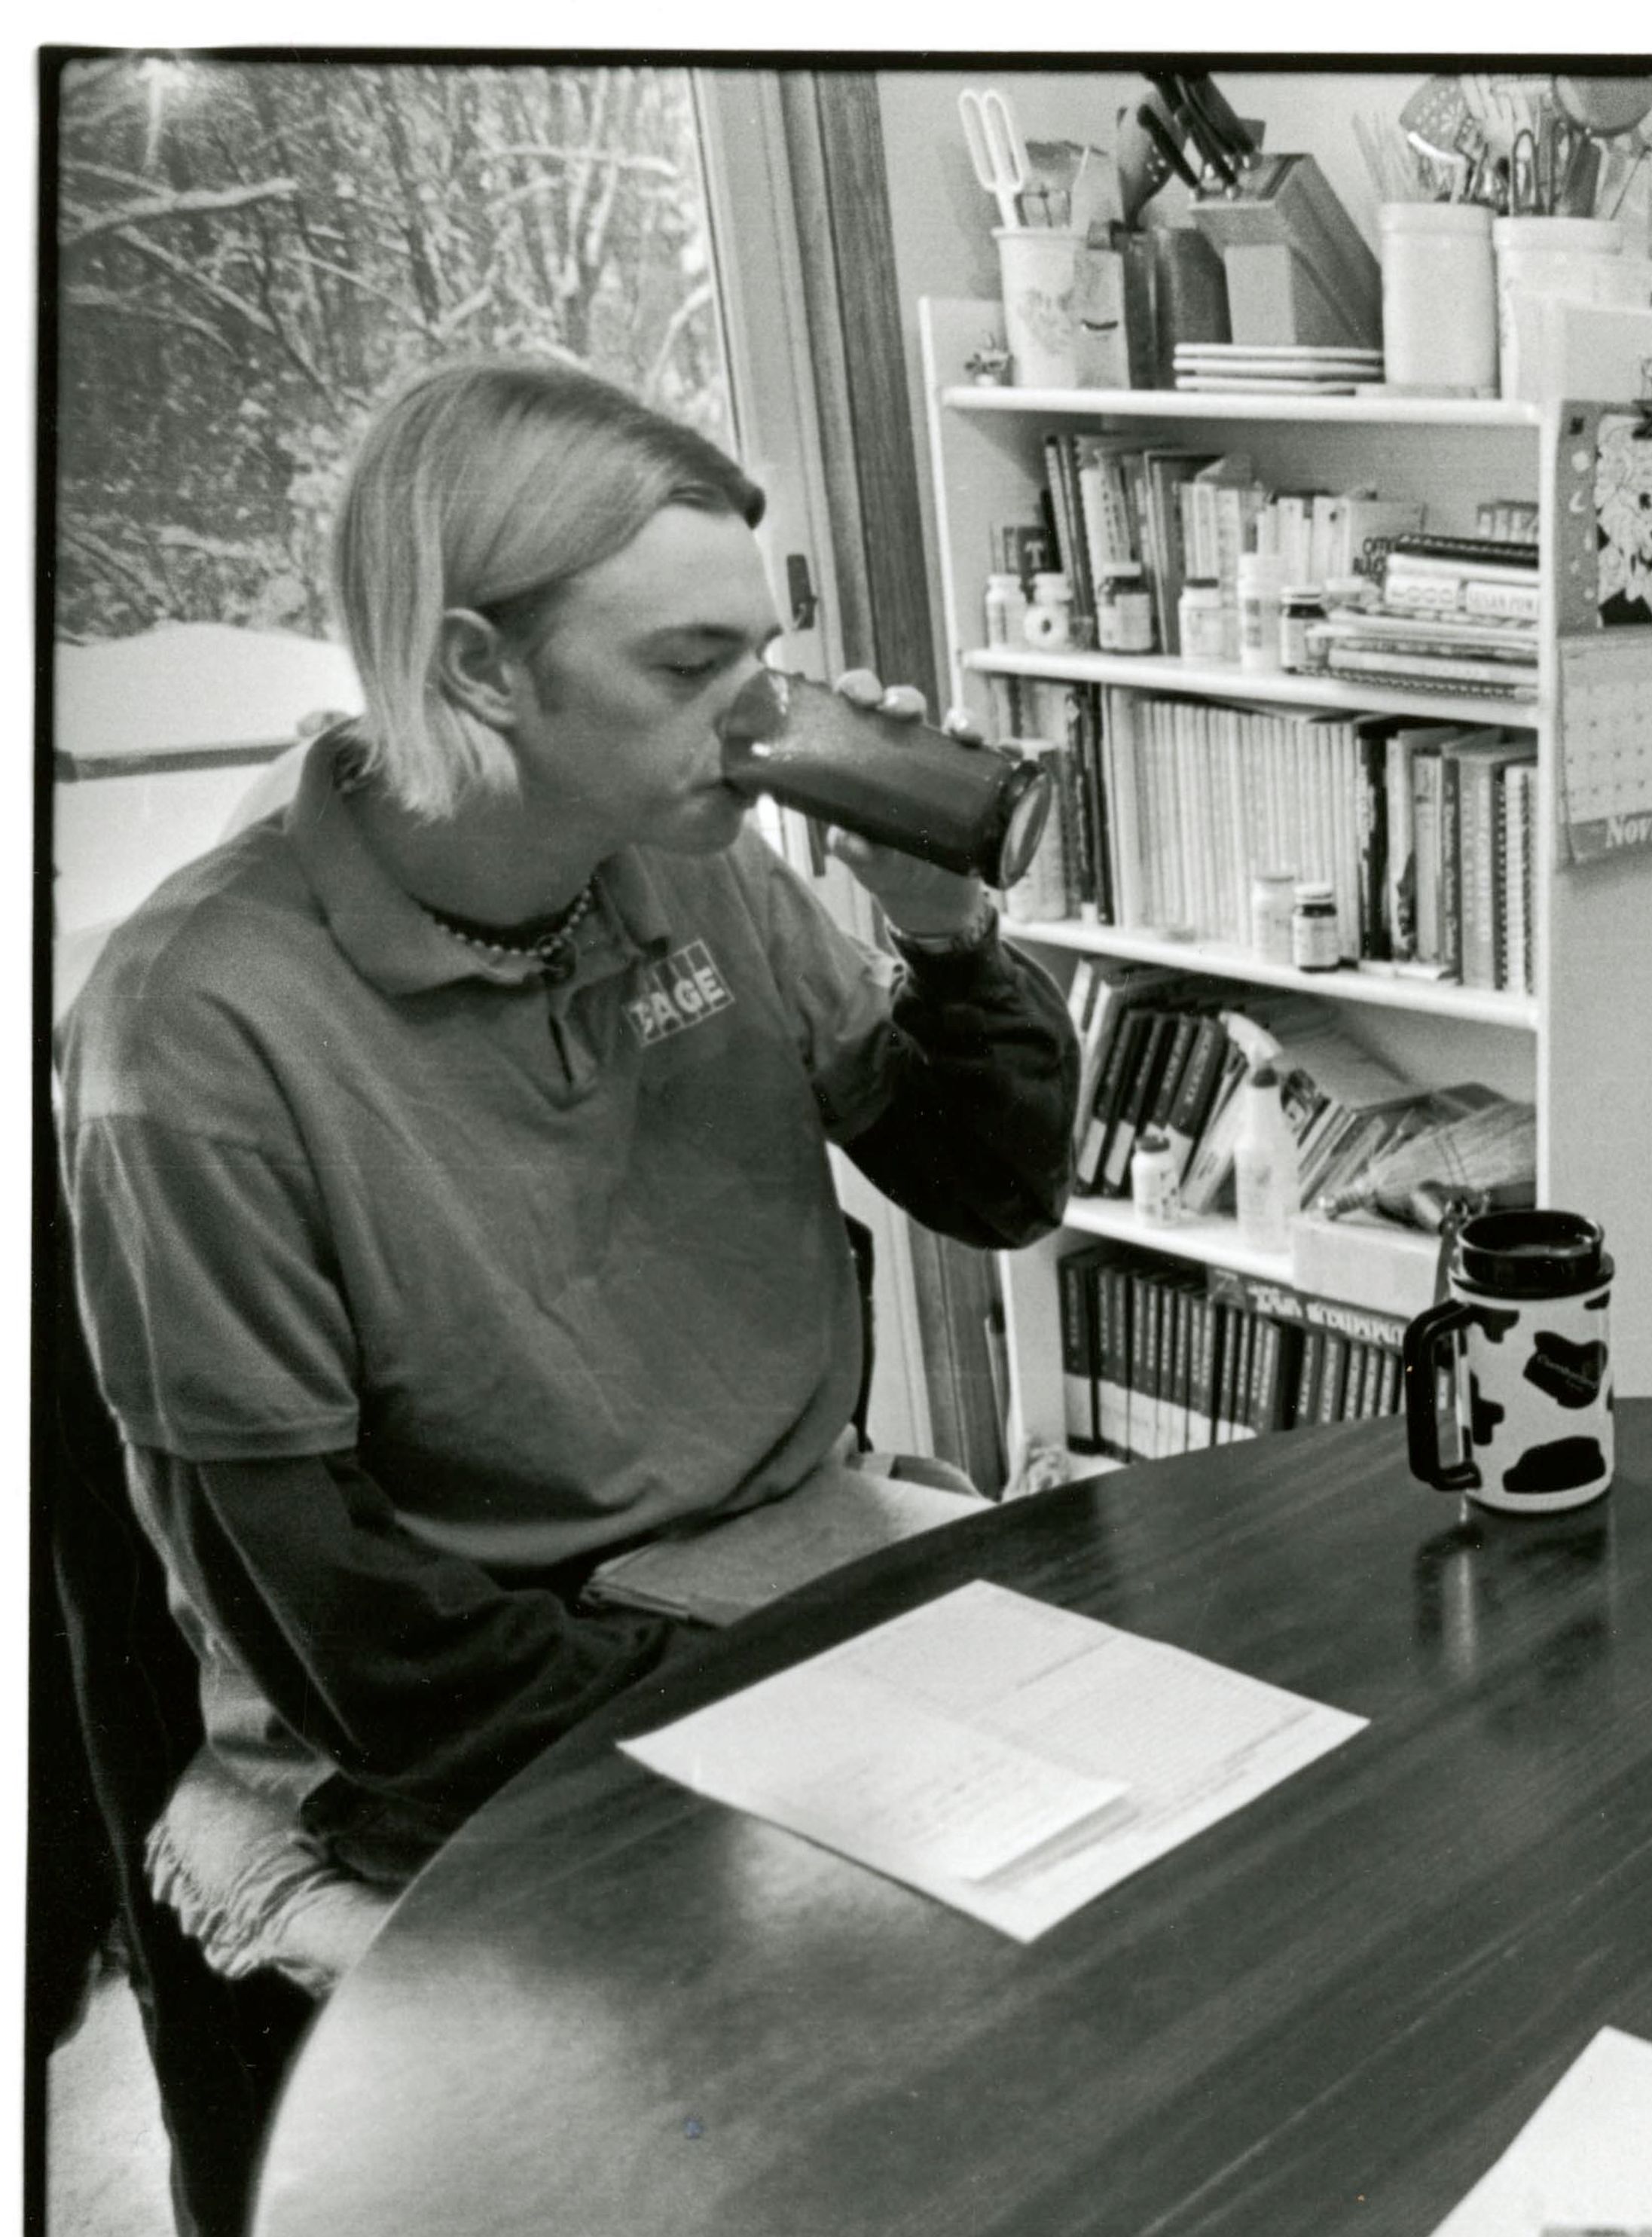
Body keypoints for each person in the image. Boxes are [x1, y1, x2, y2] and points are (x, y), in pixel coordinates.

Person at [60, 355, 1081, 1994]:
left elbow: (991, 1187)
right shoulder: (194, 1027)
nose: (760, 717)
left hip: (782, 1560)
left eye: (761, 656)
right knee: (881, 2024)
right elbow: (339, 1619)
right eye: (688, 664)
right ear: (478, 667)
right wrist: (766, 1716)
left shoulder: (700, 868)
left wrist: (947, 936)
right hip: (477, 1696)